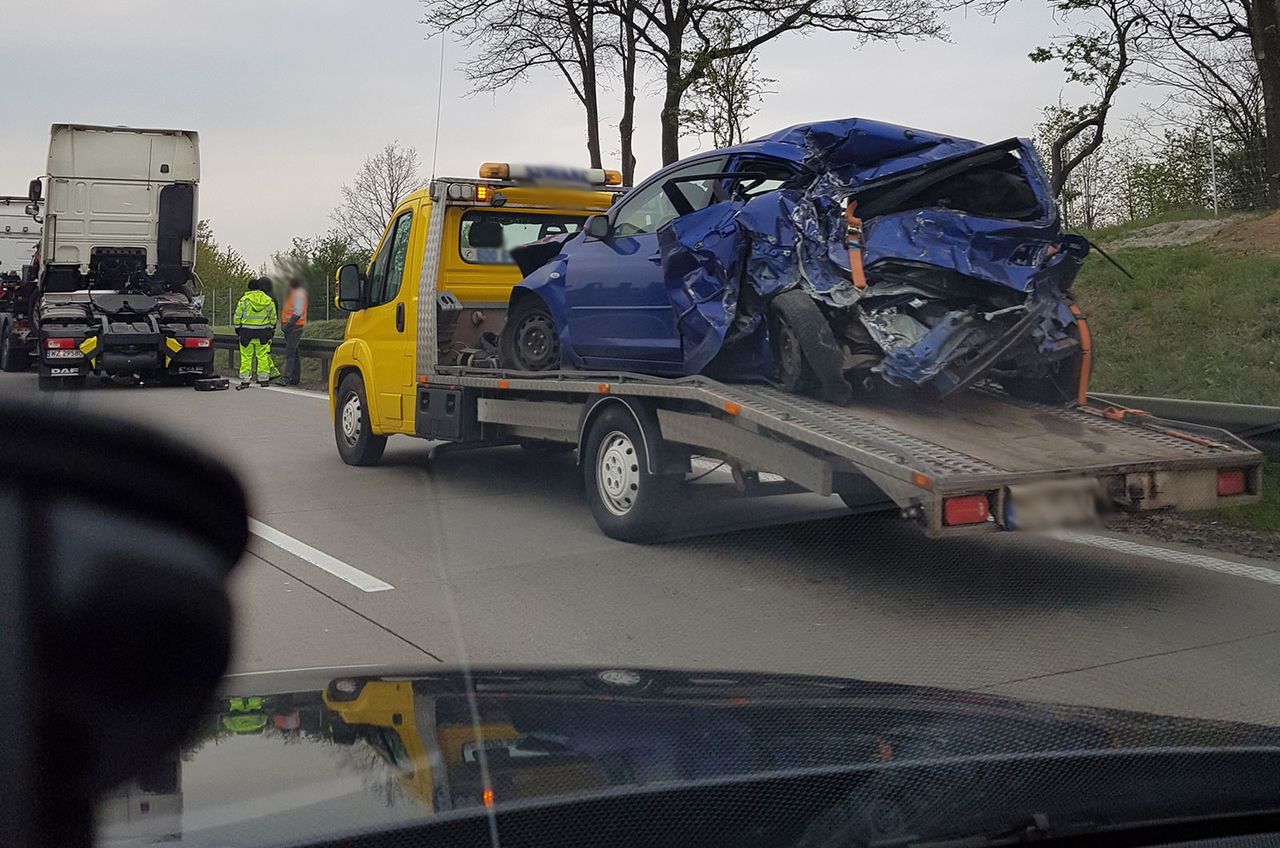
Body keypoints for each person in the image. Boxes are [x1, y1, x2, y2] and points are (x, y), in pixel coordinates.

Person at [233, 277, 277, 389]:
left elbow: (237, 316)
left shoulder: (244, 300)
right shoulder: (268, 300)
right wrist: (271, 329)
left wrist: (238, 329)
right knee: (262, 356)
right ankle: (263, 379)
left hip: (246, 333)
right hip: (263, 333)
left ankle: (245, 380)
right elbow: (273, 318)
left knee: (246, 356)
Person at [281, 277, 308, 386]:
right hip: (292, 327)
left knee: (290, 354)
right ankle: (295, 379)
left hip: (294, 327)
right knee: (295, 354)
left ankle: (287, 378)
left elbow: (298, 312)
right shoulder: (294, 294)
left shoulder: (298, 295)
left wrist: (288, 325)